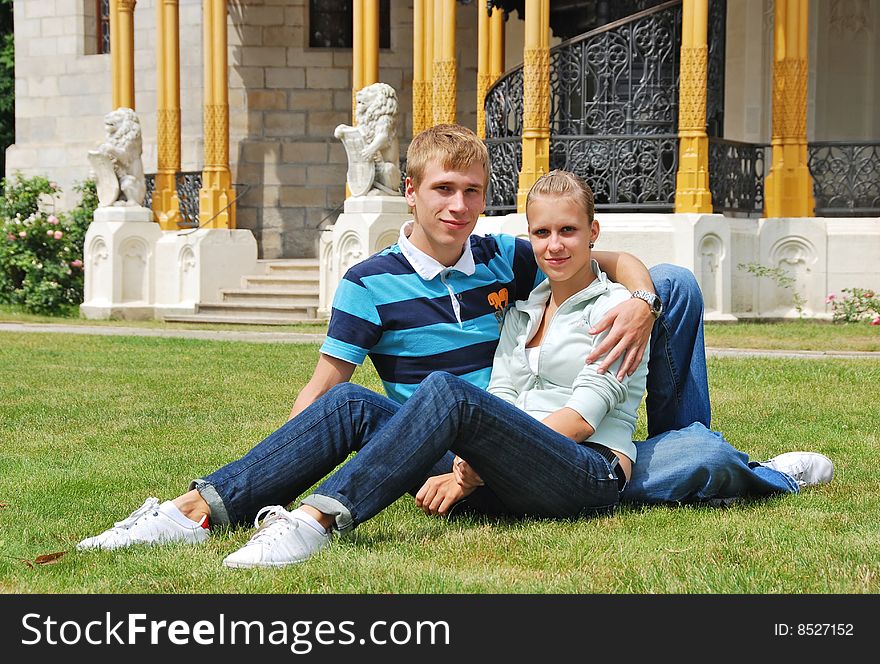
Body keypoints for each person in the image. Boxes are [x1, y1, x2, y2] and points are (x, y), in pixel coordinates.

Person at [77, 126, 833, 561]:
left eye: (473, 191)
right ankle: (192, 511)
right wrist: (275, 458)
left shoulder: (507, 256)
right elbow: (325, 387)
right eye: (444, 189)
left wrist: (638, 299)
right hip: (438, 451)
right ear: (411, 190)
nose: (461, 205)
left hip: (533, 446)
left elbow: (607, 259)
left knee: (675, 293)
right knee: (354, 407)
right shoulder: (368, 281)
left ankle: (317, 523)